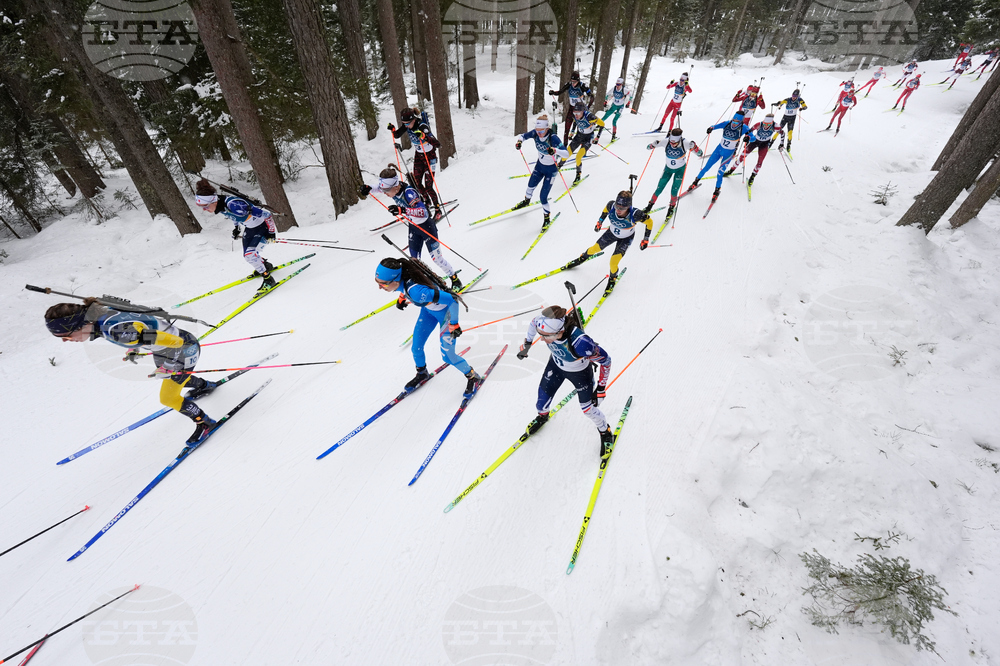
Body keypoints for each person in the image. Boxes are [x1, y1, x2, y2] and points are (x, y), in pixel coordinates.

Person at [44, 299, 219, 445]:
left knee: (168, 397)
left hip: (182, 349)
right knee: (175, 379)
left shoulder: (114, 330)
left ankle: (205, 424)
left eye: (65, 335)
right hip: (169, 350)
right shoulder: (103, 316)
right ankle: (205, 386)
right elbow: (142, 329)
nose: (66, 341)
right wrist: (137, 345)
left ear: (79, 325)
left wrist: (168, 364)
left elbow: (175, 341)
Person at [514, 306, 614, 459]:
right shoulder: (546, 322)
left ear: (559, 332)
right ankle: (543, 416)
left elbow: (606, 361)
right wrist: (527, 345)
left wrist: (601, 388)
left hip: (580, 374)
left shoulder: (581, 343)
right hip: (556, 366)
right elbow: (534, 322)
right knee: (540, 404)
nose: (541, 339)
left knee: (588, 410)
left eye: (546, 336)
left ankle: (605, 431)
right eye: (541, 335)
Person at [374, 257, 481, 397]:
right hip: (428, 312)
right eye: (378, 283)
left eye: (383, 284)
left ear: (395, 280)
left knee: (448, 356)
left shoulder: (417, 292)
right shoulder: (404, 277)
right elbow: (404, 287)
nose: (380, 287)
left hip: (445, 315)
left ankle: (473, 377)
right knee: (416, 348)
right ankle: (422, 373)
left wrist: (454, 323)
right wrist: (401, 298)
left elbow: (452, 299)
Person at [360, 167, 461, 290]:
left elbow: (423, 212)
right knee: (414, 261)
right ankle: (428, 283)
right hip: (414, 228)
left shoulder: (409, 193)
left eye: (387, 190)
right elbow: (379, 188)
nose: (385, 193)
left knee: (437, 259)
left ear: (396, 186)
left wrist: (402, 210)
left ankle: (455, 280)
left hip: (426, 228)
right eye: (384, 189)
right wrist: (368, 188)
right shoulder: (392, 188)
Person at [563, 190, 651, 296]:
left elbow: (649, 222)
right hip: (611, 233)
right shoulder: (611, 205)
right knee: (594, 249)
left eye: (622, 208)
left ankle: (612, 279)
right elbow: (605, 210)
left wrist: (646, 239)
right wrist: (600, 221)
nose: (618, 210)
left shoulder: (636, 214)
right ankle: (581, 259)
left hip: (626, 239)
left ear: (628, 206)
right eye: (617, 206)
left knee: (613, 262)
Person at [195, 180, 276, 291]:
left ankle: (268, 279)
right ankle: (265, 266)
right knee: (248, 254)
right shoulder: (220, 205)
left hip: (262, 227)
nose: (205, 209)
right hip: (251, 228)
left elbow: (267, 215)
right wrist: (236, 228)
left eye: (205, 206)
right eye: (202, 207)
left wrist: (271, 233)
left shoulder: (234, 205)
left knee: (249, 255)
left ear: (213, 201)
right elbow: (233, 216)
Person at [513, 115, 570, 230]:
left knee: (543, 197)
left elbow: (566, 154)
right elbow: (523, 136)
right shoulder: (535, 133)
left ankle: (547, 218)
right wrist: (519, 142)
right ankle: (526, 201)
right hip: (539, 166)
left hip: (551, 170)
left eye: (542, 131)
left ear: (547, 129)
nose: (539, 133)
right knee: (530, 186)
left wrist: (555, 150)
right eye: (537, 130)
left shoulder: (553, 138)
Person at [388, 108, 442, 217]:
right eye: (404, 124)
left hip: (429, 156)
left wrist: (423, 136)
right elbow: (397, 135)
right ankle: (426, 200)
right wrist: (393, 129)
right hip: (419, 156)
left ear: (413, 120)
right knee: (417, 182)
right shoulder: (407, 125)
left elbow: (437, 144)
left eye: (407, 123)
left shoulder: (422, 126)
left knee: (428, 186)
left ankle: (437, 209)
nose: (406, 126)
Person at [688, 112, 750, 202]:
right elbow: (715, 126)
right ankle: (695, 182)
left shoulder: (744, 128)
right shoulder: (727, 123)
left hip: (728, 154)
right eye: (733, 120)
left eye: (737, 122)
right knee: (706, 168)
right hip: (718, 150)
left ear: (741, 121)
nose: (734, 123)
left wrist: (748, 138)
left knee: (719, 174)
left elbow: (752, 138)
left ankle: (716, 191)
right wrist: (711, 128)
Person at [643, 128, 703, 217]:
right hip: (668, 169)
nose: (672, 144)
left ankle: (671, 208)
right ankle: (649, 206)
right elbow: (648, 148)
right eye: (671, 142)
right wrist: (653, 144)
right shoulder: (666, 141)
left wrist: (695, 147)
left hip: (680, 170)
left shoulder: (685, 143)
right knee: (659, 188)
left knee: (674, 191)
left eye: (674, 143)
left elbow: (700, 154)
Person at [725, 113, 784, 184]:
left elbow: (782, 133)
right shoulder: (759, 124)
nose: (765, 126)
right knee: (742, 156)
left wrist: (781, 144)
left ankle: (752, 176)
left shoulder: (775, 126)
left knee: (760, 162)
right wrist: (747, 138)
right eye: (765, 123)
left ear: (771, 123)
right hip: (755, 142)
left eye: (768, 124)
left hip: (764, 144)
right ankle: (731, 170)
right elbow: (749, 131)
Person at [549, 71, 595, 144]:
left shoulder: (582, 86)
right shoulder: (569, 85)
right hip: (571, 109)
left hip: (580, 111)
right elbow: (560, 91)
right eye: (572, 81)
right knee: (566, 130)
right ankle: (565, 147)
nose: (573, 83)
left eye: (575, 82)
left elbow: (592, 96)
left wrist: (587, 106)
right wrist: (553, 92)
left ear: (578, 80)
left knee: (581, 130)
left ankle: (583, 146)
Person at [567, 102, 606, 185]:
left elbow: (602, 124)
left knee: (578, 157)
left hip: (588, 138)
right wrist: (572, 132)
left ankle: (578, 175)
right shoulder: (575, 115)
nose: (576, 115)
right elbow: (575, 122)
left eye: (578, 113)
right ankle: (558, 166)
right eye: (575, 113)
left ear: (582, 111)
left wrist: (597, 137)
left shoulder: (590, 117)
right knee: (567, 153)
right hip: (579, 136)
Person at [598, 77, 633, 142]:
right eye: (616, 84)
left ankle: (613, 136)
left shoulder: (625, 90)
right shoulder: (614, 88)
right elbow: (607, 94)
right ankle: (599, 125)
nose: (617, 86)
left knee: (614, 120)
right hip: (614, 105)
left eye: (619, 84)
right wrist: (605, 101)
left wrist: (628, 103)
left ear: (621, 84)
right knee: (606, 114)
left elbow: (631, 96)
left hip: (620, 107)